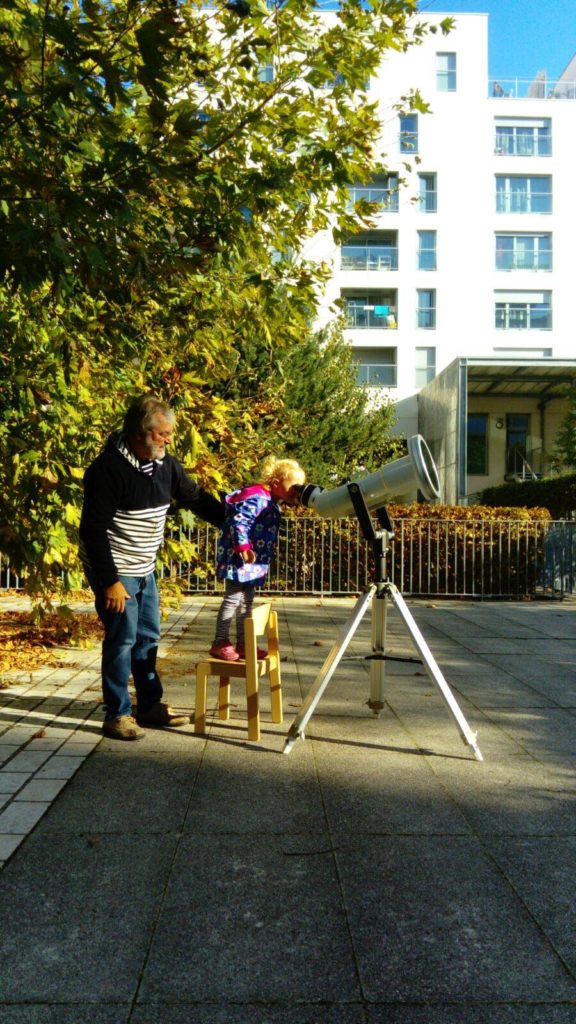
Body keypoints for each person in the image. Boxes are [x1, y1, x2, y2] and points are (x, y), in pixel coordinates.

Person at [79, 395, 226, 741]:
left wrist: (233, 521)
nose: (168, 440)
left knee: (148, 636)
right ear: (139, 434)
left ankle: (148, 705)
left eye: (169, 434)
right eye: (163, 434)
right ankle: (117, 714)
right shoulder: (107, 470)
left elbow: (195, 497)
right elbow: (92, 530)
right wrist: (110, 582)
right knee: (122, 639)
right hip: (116, 569)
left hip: (145, 566)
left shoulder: (165, 466)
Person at [209, 457, 306, 661]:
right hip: (239, 557)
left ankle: (244, 643)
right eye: (293, 486)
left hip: (253, 561)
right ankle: (220, 641)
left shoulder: (272, 501)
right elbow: (240, 521)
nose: (296, 491)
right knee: (233, 598)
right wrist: (243, 547)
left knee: (247, 601)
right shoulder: (258, 498)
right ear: (276, 482)